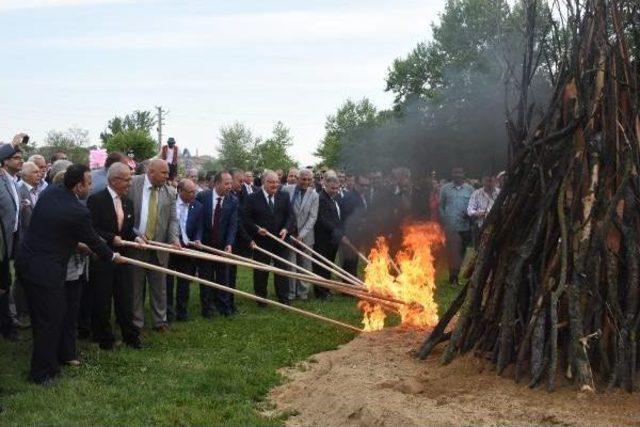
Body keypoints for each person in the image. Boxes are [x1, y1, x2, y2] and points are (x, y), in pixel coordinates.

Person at [16, 164, 123, 385]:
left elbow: (57, 228)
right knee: (50, 321)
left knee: (43, 319)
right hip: (46, 271)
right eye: (89, 183)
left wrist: (76, 244)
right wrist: (112, 257)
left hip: (27, 263)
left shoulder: (52, 192)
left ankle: (50, 363)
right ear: (78, 186)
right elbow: (94, 240)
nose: (91, 187)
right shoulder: (78, 211)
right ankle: (41, 374)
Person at [87, 163, 142, 350]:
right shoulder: (96, 200)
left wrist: (137, 238)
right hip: (102, 256)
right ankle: (104, 339)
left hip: (122, 257)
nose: (130, 183)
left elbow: (127, 230)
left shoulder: (128, 202)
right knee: (102, 299)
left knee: (124, 298)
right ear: (114, 180)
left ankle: (130, 337)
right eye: (127, 179)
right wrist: (112, 238)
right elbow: (92, 229)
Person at [128, 159, 179, 332]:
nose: (167, 176)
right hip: (135, 244)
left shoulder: (170, 192)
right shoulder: (133, 183)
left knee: (160, 287)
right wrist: (133, 234)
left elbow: (173, 219)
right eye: (164, 173)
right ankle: (137, 323)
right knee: (136, 286)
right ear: (151, 172)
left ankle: (160, 321)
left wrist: (174, 238)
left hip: (159, 247)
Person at [244, 170, 294, 305]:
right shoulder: (252, 198)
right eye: (271, 182)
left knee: (282, 269)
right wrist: (256, 229)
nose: (275, 185)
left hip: (281, 239)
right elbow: (246, 219)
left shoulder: (284, 195)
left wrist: (286, 229)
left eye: (277, 182)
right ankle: (261, 298)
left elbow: (290, 216)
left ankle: (283, 298)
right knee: (261, 270)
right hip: (262, 241)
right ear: (263, 182)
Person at [196, 172, 238, 316]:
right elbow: (198, 221)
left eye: (231, 183)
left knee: (223, 277)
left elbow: (233, 225)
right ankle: (207, 309)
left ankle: (224, 307)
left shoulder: (233, 200)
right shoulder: (203, 197)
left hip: (222, 246)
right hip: (205, 244)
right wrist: (198, 238)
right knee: (206, 277)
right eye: (226, 183)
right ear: (217, 183)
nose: (229, 186)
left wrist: (229, 243)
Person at [0, 135, 27, 341]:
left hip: (11, 240)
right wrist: (12, 143)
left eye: (21, 157)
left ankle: (8, 323)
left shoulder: (14, 182)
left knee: (6, 282)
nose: (21, 160)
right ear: (5, 160)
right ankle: (7, 326)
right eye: (16, 156)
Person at [166, 179, 203, 321]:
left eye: (194, 191)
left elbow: (199, 227)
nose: (194, 194)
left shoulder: (198, 207)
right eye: (190, 192)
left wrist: (198, 239)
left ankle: (182, 312)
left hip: (187, 249)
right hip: (170, 247)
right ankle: (168, 312)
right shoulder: (170, 204)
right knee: (167, 282)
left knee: (184, 282)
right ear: (180, 191)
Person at [282, 169, 319, 300]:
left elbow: (312, 217)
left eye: (309, 180)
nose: (306, 182)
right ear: (298, 179)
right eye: (304, 179)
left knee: (305, 264)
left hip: (306, 235)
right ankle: (291, 292)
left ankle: (302, 292)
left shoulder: (314, 195)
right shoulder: (287, 190)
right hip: (289, 234)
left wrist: (302, 234)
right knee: (291, 265)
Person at [313, 175, 349, 299]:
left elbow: (337, 218)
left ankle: (326, 288)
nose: (335, 190)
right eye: (332, 188)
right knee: (321, 265)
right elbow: (324, 220)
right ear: (326, 185)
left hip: (333, 239)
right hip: (323, 238)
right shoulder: (321, 198)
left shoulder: (335, 198)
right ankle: (320, 292)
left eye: (336, 188)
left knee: (329, 264)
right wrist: (339, 233)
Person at [439, 167, 474, 286]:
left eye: (459, 172)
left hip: (464, 227)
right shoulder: (445, 189)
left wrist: (470, 215)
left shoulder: (470, 189)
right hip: (450, 227)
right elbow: (441, 206)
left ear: (464, 174)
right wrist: (444, 219)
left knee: (462, 253)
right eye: (455, 172)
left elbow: (473, 206)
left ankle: (456, 275)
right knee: (451, 252)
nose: (457, 175)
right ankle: (452, 276)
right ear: (452, 174)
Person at [340, 175, 370, 278]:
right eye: (363, 185)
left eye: (367, 185)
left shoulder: (364, 196)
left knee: (355, 260)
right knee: (349, 261)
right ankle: (347, 285)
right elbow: (345, 217)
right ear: (356, 184)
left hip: (360, 234)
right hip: (350, 234)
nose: (365, 188)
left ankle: (352, 280)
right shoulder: (349, 198)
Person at [467, 173, 500, 246]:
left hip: (498, 226)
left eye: (491, 180)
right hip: (482, 227)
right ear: (482, 181)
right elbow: (470, 210)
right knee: (482, 249)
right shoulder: (476, 193)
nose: (489, 183)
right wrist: (481, 213)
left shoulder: (500, 193)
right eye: (487, 180)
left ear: (495, 181)